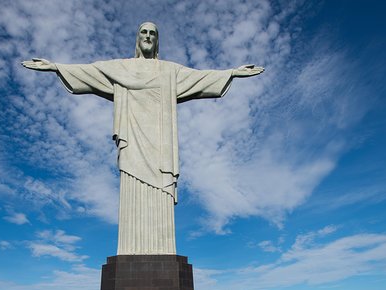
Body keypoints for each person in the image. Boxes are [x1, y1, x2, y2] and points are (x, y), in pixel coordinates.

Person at [22, 22, 263, 255]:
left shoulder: (170, 71)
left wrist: (232, 73)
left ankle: (161, 249)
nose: (148, 36)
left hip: (160, 146)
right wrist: (55, 67)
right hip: (133, 143)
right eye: (143, 32)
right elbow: (90, 71)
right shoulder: (121, 68)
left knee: (160, 199)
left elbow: (200, 78)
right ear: (137, 39)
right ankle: (131, 248)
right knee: (132, 194)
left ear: (157, 41)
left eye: (153, 33)